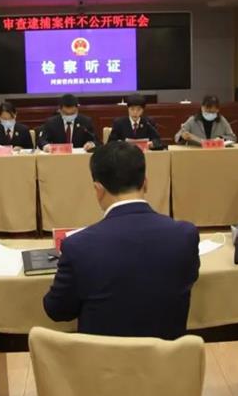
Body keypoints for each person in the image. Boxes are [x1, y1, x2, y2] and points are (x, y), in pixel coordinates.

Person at [43, 141, 200, 340]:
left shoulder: (77, 246)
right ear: (146, 183)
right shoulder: (185, 235)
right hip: (166, 358)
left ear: (98, 189)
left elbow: (57, 310)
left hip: (101, 359)